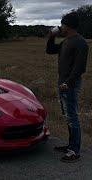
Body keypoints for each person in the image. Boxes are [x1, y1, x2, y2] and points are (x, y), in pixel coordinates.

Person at [46, 11, 89, 163]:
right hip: (63, 83)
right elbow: (50, 50)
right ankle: (70, 145)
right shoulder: (66, 41)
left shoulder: (80, 42)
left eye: (62, 24)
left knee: (72, 117)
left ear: (68, 25)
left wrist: (68, 83)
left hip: (69, 84)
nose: (61, 27)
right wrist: (51, 36)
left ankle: (74, 151)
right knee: (68, 116)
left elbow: (79, 68)